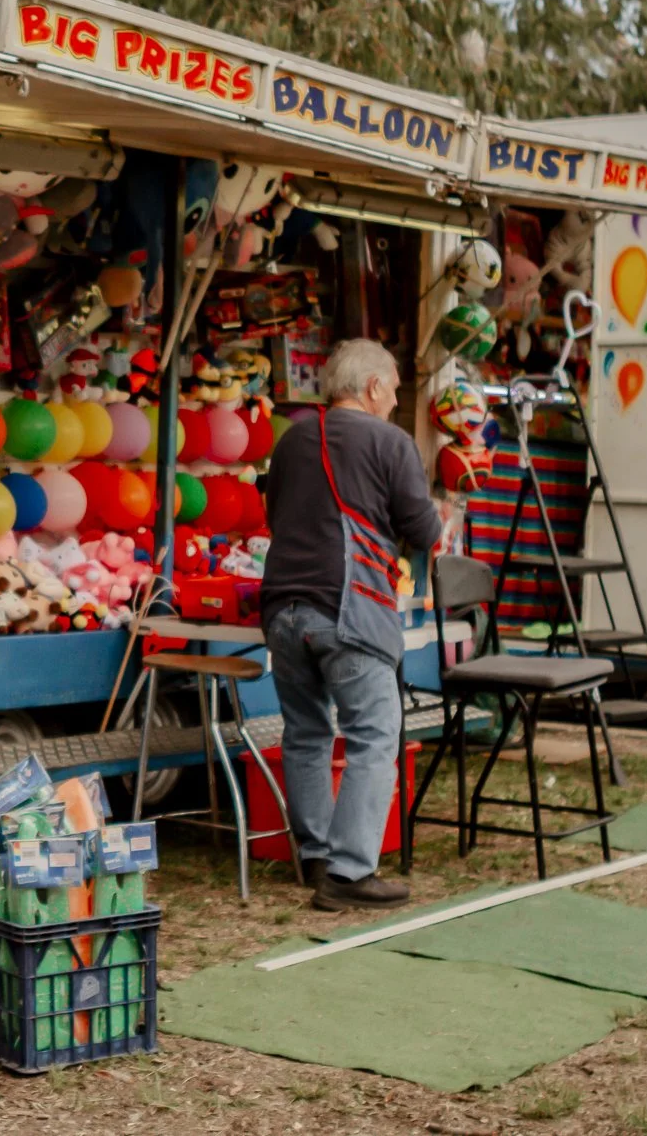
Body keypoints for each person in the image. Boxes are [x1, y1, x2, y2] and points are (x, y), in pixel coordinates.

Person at [261, 339, 441, 910]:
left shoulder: (290, 441)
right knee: (374, 733)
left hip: (282, 608)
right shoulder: (390, 442)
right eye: (392, 389)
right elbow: (425, 527)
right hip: (350, 605)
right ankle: (350, 872)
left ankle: (314, 856)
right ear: (370, 388)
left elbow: (276, 514)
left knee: (306, 731)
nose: (393, 401)